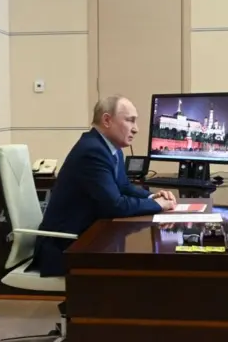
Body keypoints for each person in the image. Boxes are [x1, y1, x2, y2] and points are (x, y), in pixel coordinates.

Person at [29, 95, 177, 277]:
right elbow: (115, 206)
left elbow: (124, 187)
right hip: (66, 248)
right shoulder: (92, 151)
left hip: (86, 237)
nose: (136, 129)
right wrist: (158, 206)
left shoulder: (111, 150)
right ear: (107, 120)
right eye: (130, 120)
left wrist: (151, 197)